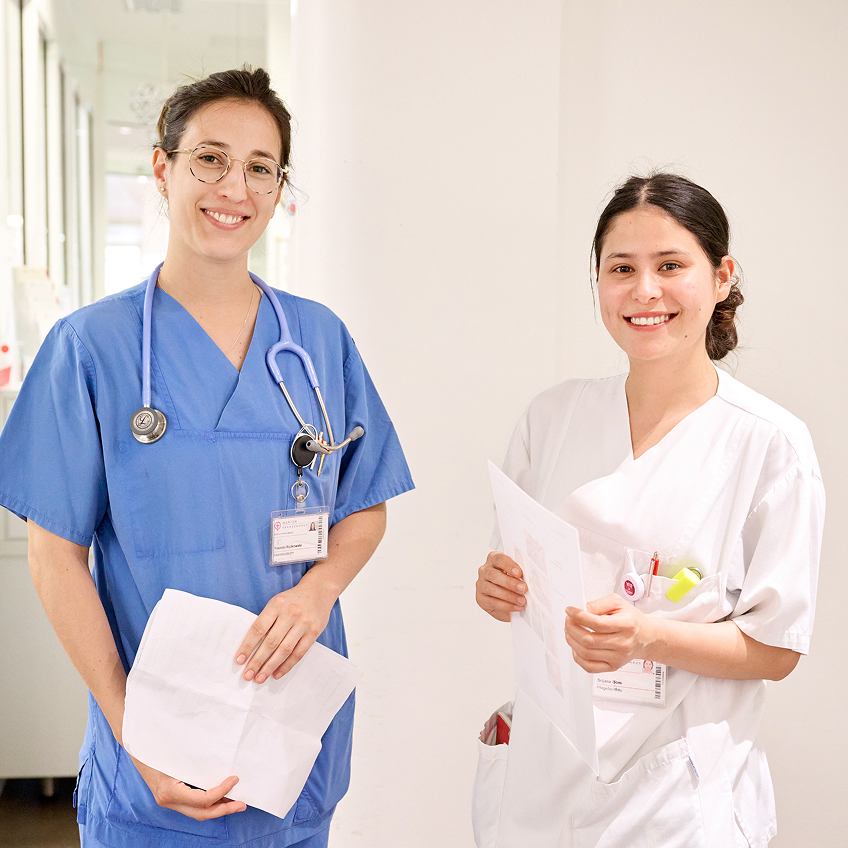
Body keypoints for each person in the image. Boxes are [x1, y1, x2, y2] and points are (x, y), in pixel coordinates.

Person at [0, 67, 413, 848]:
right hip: (154, 763)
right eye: (210, 159)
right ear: (163, 168)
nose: (235, 187)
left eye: (262, 168)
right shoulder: (91, 349)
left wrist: (317, 593)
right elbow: (55, 557)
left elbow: (364, 504)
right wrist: (137, 733)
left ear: (279, 187)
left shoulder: (317, 341)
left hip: (291, 745)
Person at [474, 173, 824, 847]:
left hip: (677, 797)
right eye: (621, 269)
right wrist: (496, 587)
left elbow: (778, 648)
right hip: (543, 779)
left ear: (721, 277)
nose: (644, 291)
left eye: (671, 266)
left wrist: (648, 637)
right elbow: (513, 576)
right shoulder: (552, 417)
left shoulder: (769, 444)